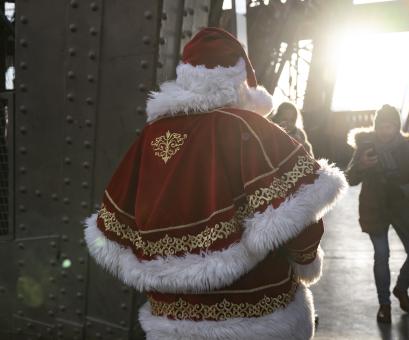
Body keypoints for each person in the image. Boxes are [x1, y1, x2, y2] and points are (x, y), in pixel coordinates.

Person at [84, 28, 347, 340]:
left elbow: (110, 230)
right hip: (256, 309)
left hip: (172, 317)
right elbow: (302, 218)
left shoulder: (150, 137)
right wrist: (306, 263)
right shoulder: (248, 128)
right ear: (241, 79)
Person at [346, 104, 409, 324]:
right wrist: (362, 165)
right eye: (381, 126)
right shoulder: (365, 146)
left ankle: (401, 289)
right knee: (381, 256)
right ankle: (384, 305)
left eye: (390, 126)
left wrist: (402, 191)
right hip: (375, 209)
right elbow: (349, 178)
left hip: (403, 209)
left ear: (397, 127)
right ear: (376, 126)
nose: (385, 131)